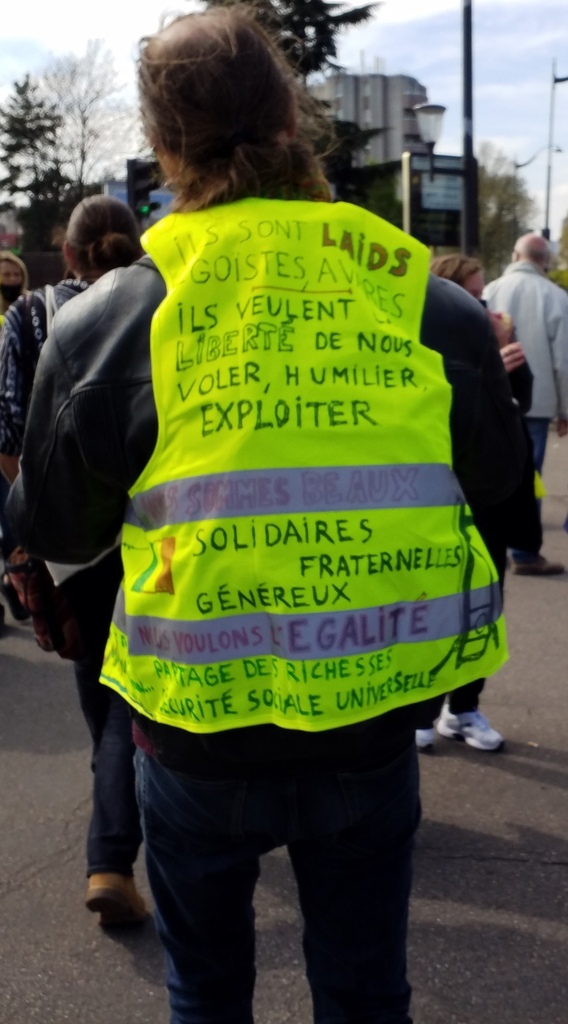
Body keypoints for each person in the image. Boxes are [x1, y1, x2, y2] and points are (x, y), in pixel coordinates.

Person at [8, 9, 527, 1022]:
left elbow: (61, 529)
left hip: (196, 731)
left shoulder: (110, 318)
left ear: (163, 141)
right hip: (374, 717)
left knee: (206, 994)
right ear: (292, 116)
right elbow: (499, 484)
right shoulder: (426, 303)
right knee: (366, 993)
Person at [0, 195, 147, 927]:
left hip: (67, 532)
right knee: (141, 681)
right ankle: (118, 830)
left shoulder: (29, 317)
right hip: (156, 525)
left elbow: (7, 432)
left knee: (102, 679)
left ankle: (112, 843)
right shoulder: (161, 302)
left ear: (70, 249)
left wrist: (28, 532)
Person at [415, 253, 541, 753]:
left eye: (482, 294)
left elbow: (519, 411)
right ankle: (423, 708)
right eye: (470, 294)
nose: (481, 305)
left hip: (489, 499)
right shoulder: (423, 340)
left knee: (484, 605)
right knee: (432, 605)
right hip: (436, 498)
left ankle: (463, 707)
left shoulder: (493, 341)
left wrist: (506, 375)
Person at [483, 233, 568, 575]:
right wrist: (566, 410)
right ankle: (524, 550)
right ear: (544, 260)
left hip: (492, 395)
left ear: (516, 254)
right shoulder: (557, 298)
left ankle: (493, 545)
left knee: (491, 472)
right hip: (538, 402)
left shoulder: (489, 290)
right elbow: (563, 362)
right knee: (527, 476)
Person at [0, 250, 31, 624]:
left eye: (13, 273)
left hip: (12, 429)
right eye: (3, 273)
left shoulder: (27, 311)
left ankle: (16, 576)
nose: (8, 278)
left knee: (12, 515)